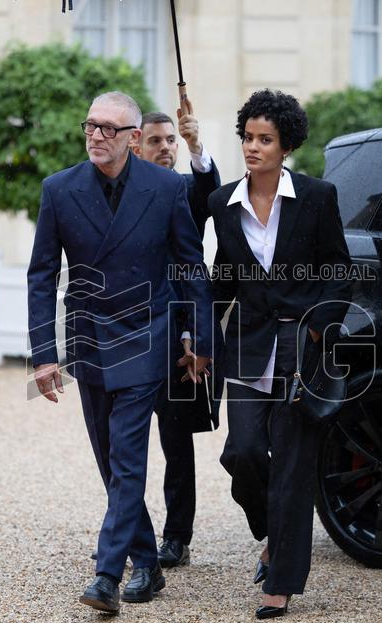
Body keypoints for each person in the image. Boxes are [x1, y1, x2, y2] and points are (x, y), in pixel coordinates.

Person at [27, 91, 214, 615]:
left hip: (145, 334)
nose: (96, 136)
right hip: (88, 339)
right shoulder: (59, 190)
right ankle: (148, 563)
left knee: (127, 455)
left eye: (109, 129)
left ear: (133, 138)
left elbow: (190, 265)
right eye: (90, 126)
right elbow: (41, 275)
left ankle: (108, 575)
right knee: (111, 460)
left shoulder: (167, 187)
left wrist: (201, 340)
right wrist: (45, 355)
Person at [208, 89, 352, 619]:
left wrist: (319, 328)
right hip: (247, 345)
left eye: (264, 140)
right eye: (247, 137)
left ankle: (282, 580)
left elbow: (338, 270)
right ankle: (272, 531)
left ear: (285, 146)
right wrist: (197, 335)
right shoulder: (222, 204)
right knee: (241, 453)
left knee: (292, 466)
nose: (253, 147)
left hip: (301, 347)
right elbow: (223, 277)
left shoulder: (318, 197)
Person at [131, 101, 222, 568]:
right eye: (156, 141)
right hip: (128, 332)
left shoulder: (184, 189)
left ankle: (177, 536)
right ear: (136, 144)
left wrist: (195, 146)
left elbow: (210, 192)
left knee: (174, 437)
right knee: (122, 441)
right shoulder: (118, 191)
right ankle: (127, 530)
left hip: (176, 332)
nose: (165, 148)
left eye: (170, 140)